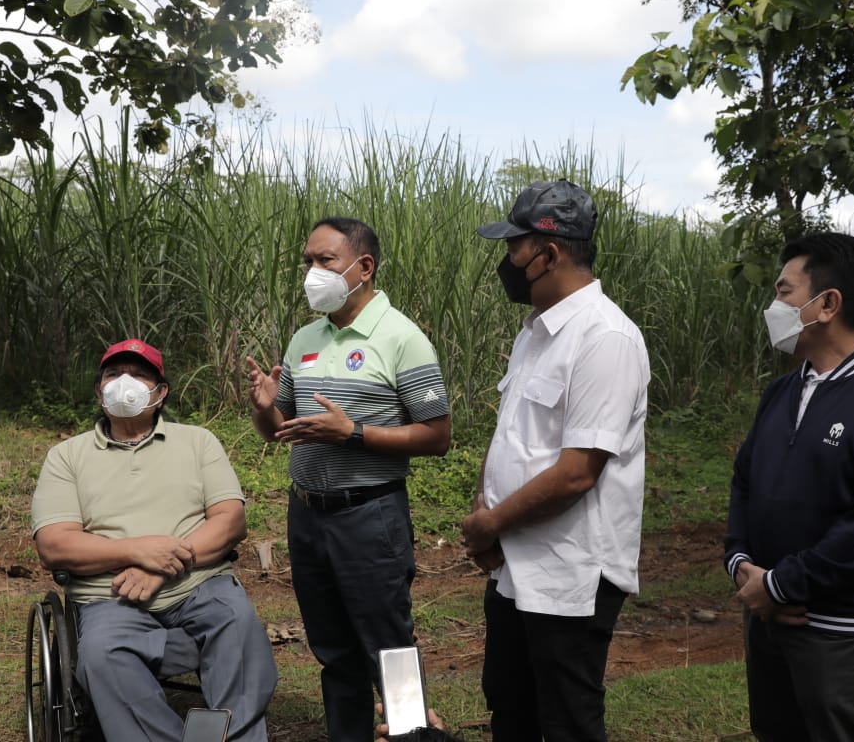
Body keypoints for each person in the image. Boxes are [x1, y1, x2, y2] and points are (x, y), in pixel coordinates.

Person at [246, 217, 451, 741]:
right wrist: (266, 409)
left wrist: (353, 433)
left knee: (389, 648)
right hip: (308, 515)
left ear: (363, 267)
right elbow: (280, 431)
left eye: (325, 261)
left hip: (370, 516)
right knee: (334, 651)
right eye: (307, 262)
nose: (312, 272)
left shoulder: (402, 337)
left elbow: (436, 435)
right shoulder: (305, 339)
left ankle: (410, 735)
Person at [724, 232, 854, 741]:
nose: (773, 305)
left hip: (842, 635)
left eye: (783, 291)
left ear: (828, 304)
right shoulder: (782, 391)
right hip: (767, 623)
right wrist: (740, 562)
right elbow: (745, 481)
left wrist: (780, 585)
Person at [462, 180, 650, 742]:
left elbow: (577, 472)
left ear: (549, 253)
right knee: (510, 707)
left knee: (567, 721)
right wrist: (483, 510)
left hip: (570, 571)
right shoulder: (536, 333)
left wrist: (490, 523)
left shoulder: (605, 338)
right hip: (515, 565)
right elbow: (512, 436)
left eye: (515, 247)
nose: (508, 261)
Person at [31, 338, 278, 742]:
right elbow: (55, 545)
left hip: (199, 585)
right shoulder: (66, 456)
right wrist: (137, 551)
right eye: (113, 374)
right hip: (110, 596)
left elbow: (230, 521)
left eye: (138, 375)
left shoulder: (198, 442)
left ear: (160, 393)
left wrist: (165, 566)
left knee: (237, 623)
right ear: (99, 392)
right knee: (102, 654)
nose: (123, 382)